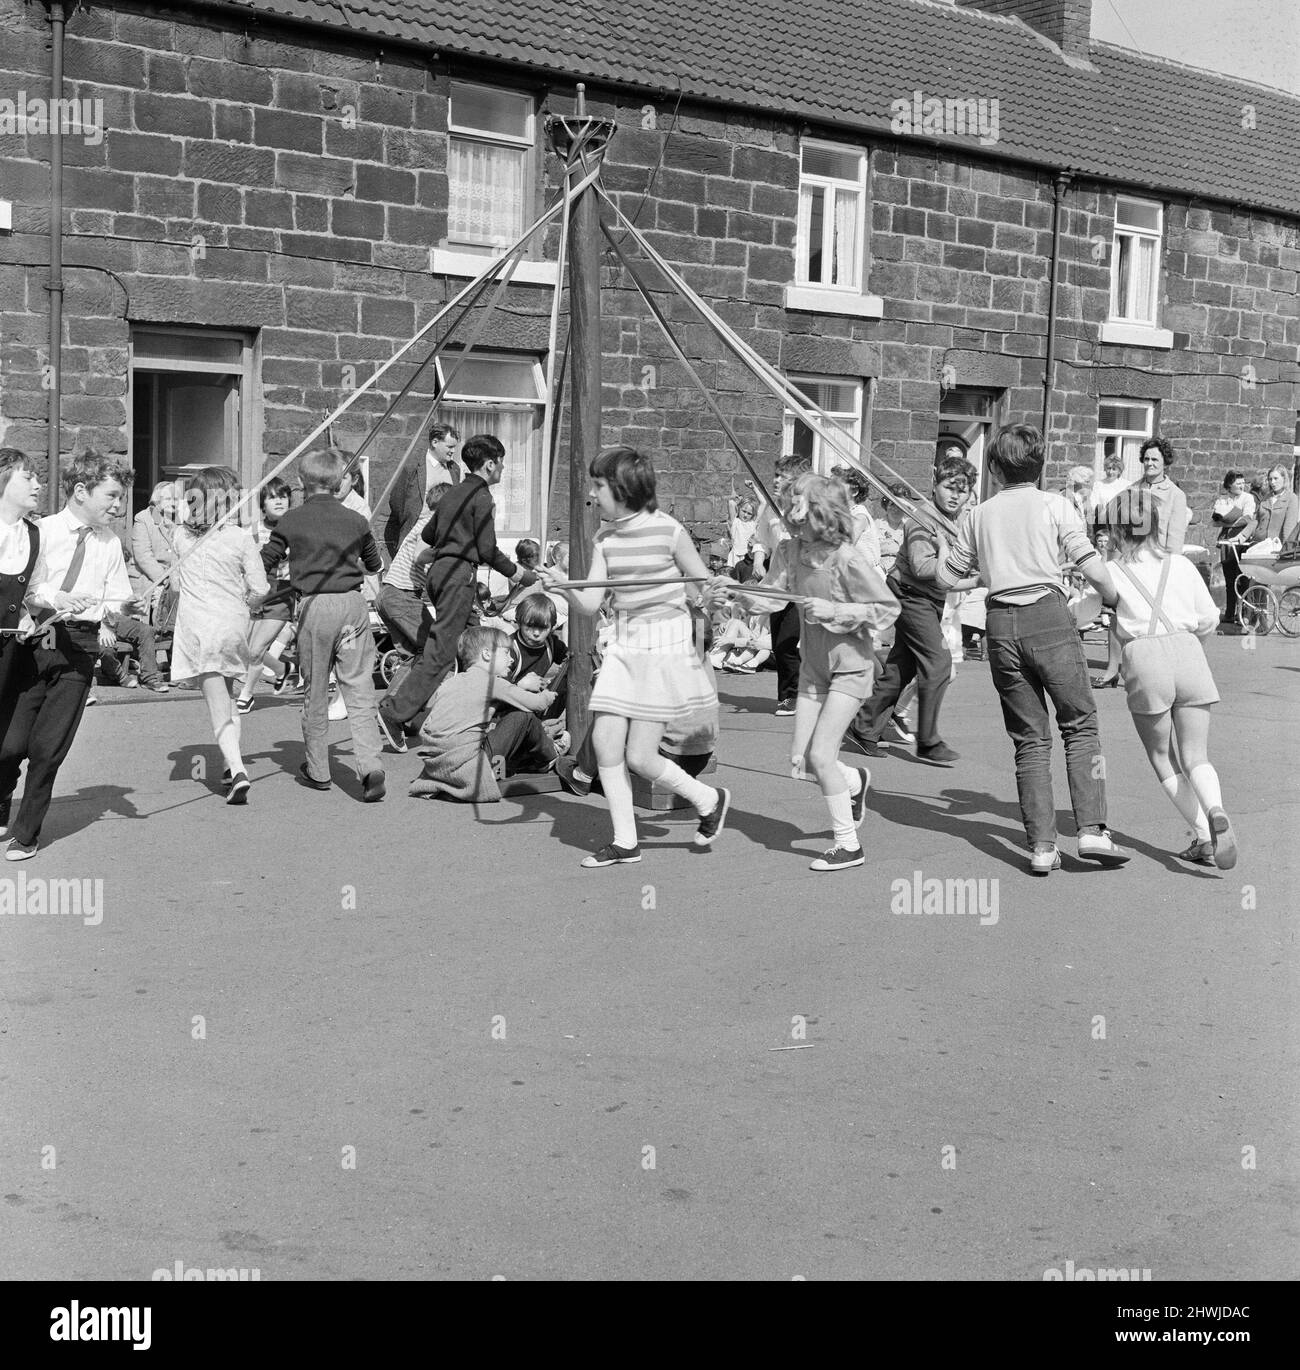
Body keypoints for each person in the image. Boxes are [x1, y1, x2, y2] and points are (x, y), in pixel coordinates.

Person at [936, 424, 1130, 876]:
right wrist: (1113, 596)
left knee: (1030, 739)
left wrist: (989, 575)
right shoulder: (1055, 505)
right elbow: (1090, 564)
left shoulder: (976, 515)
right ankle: (1092, 830)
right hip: (1048, 616)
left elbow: (945, 579)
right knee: (1080, 724)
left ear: (994, 467)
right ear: (1039, 466)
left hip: (1000, 624)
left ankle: (1042, 846)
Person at [540, 446, 729, 868]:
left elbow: (702, 595)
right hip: (626, 647)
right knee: (607, 744)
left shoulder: (669, 531)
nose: (593, 493)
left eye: (599, 486)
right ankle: (626, 841)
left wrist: (714, 595)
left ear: (623, 490)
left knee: (640, 757)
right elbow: (590, 604)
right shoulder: (605, 538)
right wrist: (561, 584)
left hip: (664, 648)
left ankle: (708, 799)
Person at [729, 473, 898, 872]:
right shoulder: (789, 551)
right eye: (788, 507)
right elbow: (770, 598)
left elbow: (888, 609)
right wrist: (734, 594)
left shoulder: (847, 557)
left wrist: (836, 611)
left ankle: (848, 845)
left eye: (797, 508)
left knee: (822, 756)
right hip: (813, 670)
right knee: (802, 762)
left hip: (851, 669)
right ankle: (854, 783)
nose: (788, 515)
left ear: (820, 513)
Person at [0, 452, 138, 858]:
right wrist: (57, 598)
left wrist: (120, 611)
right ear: (81, 491)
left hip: (80, 646)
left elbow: (118, 597)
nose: (118, 506)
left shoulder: (111, 543)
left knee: (48, 748)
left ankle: (27, 833)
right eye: (111, 496)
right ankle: (3, 794)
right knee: (9, 743)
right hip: (34, 642)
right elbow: (26, 589)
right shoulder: (40, 531)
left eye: (121, 498)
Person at [1097, 486, 1237, 869]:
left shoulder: (1112, 570)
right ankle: (1216, 809)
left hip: (1144, 658)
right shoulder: (1181, 565)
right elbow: (1209, 617)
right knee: (1197, 755)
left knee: (1163, 756)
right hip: (1189, 650)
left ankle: (1204, 834)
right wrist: (1192, 644)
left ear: (1118, 529)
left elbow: (1082, 613)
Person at [377, 435, 537, 752]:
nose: (503, 468)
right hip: (457, 576)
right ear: (491, 464)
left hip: (440, 575)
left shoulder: (452, 494)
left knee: (474, 642)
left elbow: (428, 534)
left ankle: (477, 714)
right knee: (440, 654)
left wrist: (452, 547)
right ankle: (395, 714)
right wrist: (518, 573)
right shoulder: (482, 498)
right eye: (502, 462)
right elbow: (488, 549)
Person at [259, 448, 386, 801]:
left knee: (316, 689)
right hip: (352, 604)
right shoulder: (356, 520)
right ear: (338, 482)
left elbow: (266, 560)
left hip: (314, 605)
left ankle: (318, 769)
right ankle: (371, 765)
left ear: (302, 482)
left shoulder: (292, 520)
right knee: (359, 688)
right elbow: (374, 565)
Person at [850, 454, 977, 766]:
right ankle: (928, 740)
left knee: (900, 668)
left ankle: (864, 727)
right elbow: (922, 567)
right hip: (911, 596)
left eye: (962, 489)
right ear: (936, 485)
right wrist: (964, 568)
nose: (955, 494)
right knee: (939, 663)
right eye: (949, 487)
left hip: (930, 600)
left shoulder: (961, 519)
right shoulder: (923, 518)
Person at [169, 467, 269, 804]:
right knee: (226, 696)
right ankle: (230, 766)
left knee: (217, 706)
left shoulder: (180, 536)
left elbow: (175, 584)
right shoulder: (240, 538)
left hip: (199, 627)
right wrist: (244, 600)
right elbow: (260, 588)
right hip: (232, 624)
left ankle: (239, 771)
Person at [409, 625, 553, 801]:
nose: (511, 660)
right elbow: (537, 704)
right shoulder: (493, 683)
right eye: (506, 653)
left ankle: (453, 780)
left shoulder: (451, 684)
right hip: (471, 762)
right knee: (523, 717)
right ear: (486, 654)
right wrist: (549, 694)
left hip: (439, 764)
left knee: (497, 723)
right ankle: (550, 756)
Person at [751, 455, 810, 716]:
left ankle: (806, 693)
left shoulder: (809, 507)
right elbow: (762, 539)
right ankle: (788, 696)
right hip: (778, 582)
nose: (774, 481)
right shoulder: (770, 509)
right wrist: (758, 559)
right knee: (782, 643)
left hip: (806, 583)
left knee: (800, 641)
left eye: (781, 476)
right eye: (775, 475)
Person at [237, 477, 297, 711]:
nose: (279, 501)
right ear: (263, 504)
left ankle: (246, 694)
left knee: (256, 649)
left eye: (282, 496)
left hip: (282, 593)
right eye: (272, 497)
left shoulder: (297, 528)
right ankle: (282, 669)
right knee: (246, 647)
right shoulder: (251, 529)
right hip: (254, 593)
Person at [376, 484, 442, 656]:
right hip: (402, 596)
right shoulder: (432, 526)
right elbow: (419, 556)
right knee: (436, 649)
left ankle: (402, 683)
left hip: (388, 594)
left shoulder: (424, 523)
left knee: (413, 657)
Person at [384, 423, 461, 556]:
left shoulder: (454, 469)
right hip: (416, 537)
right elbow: (397, 501)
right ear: (435, 442)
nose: (453, 451)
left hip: (444, 539)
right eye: (450, 446)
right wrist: (411, 522)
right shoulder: (413, 466)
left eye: (454, 447)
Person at [131, 479, 181, 625]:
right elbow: (143, 556)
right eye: (168, 499)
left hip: (173, 580)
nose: (172, 503)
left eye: (176, 499)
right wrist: (166, 579)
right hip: (148, 578)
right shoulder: (143, 519)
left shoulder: (180, 521)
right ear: (157, 500)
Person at [1210, 470, 1257, 626]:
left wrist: (1228, 520)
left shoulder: (1248, 498)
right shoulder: (1222, 499)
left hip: (1242, 542)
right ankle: (1230, 613)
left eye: (1243, 482)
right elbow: (1215, 521)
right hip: (1226, 541)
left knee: (1242, 578)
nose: (1242, 485)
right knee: (1229, 579)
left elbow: (1248, 518)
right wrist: (1233, 519)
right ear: (1229, 484)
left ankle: (1243, 614)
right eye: (1238, 483)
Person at [1136, 437, 1190, 554]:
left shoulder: (1176, 495)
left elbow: (1175, 542)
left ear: (1165, 463)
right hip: (1131, 558)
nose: (1149, 463)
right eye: (1146, 459)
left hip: (1158, 560)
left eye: (1154, 459)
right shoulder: (1132, 490)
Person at [1235, 462, 1298, 549]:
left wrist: (1285, 550)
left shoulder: (1291, 498)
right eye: (1270, 479)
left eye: (1276, 478)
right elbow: (1256, 520)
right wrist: (1241, 536)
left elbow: (1289, 528)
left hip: (1275, 547)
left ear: (1284, 478)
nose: (1273, 482)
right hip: (1257, 544)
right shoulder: (1266, 497)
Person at [726, 484, 760, 580]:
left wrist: (754, 488)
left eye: (749, 513)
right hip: (735, 556)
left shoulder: (753, 524)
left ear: (753, 515)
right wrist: (738, 501)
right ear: (739, 509)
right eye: (743, 511)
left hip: (746, 559)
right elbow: (731, 503)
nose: (745, 515)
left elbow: (763, 503)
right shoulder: (735, 521)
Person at [1090, 446, 1129, 515]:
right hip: (1102, 520)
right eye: (1108, 468)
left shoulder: (1126, 485)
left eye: (1114, 469)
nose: (1110, 472)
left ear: (1119, 471)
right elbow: (1093, 503)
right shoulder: (1098, 484)